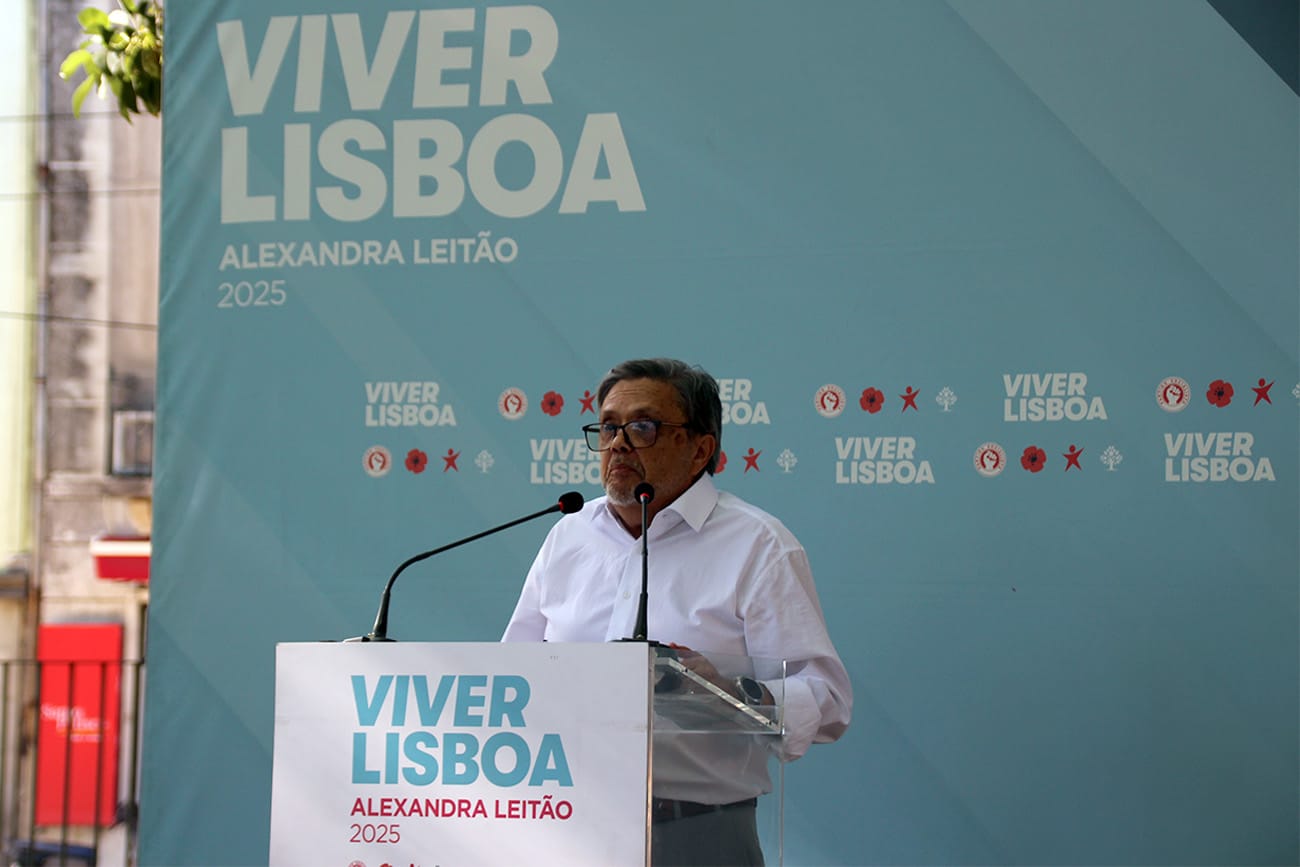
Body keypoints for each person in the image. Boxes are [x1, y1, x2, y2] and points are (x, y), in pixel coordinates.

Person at [503, 358, 852, 866]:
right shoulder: (568, 536)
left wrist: (727, 694)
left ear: (700, 449)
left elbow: (827, 701)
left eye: (643, 427)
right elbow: (514, 673)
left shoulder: (757, 545)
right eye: (608, 427)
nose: (618, 443)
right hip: (567, 827)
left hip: (698, 835)